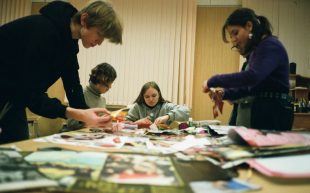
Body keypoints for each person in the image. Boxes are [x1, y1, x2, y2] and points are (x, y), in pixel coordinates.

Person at [0, 1, 123, 144]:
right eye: (100, 34)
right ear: (84, 20)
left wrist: (90, 117)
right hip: (10, 92)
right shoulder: (44, 31)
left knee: (17, 148)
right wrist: (76, 113)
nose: (100, 42)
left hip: (13, 98)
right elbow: (30, 95)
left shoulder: (69, 44)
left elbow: (73, 86)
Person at [203, 8, 293, 131]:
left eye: (235, 33)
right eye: (231, 36)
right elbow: (251, 89)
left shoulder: (269, 44)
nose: (233, 40)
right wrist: (225, 93)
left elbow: (252, 77)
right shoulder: (258, 50)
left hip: (274, 112)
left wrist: (213, 80)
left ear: (249, 26)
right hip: (264, 110)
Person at [61, 63, 117, 132]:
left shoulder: (102, 100)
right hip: (71, 134)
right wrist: (92, 123)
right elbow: (71, 124)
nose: (110, 87)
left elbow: (98, 125)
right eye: (108, 82)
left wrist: (108, 124)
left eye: (111, 82)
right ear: (99, 79)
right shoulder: (80, 95)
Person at [126, 81, 190, 125]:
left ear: (159, 94)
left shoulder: (166, 106)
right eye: (147, 97)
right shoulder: (137, 107)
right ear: (143, 97)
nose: (151, 99)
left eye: (154, 96)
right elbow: (125, 124)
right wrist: (137, 123)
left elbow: (186, 111)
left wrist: (167, 116)